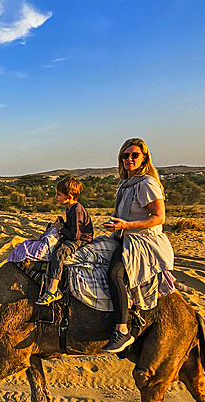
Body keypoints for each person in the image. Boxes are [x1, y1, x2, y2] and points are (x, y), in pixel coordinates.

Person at [100, 138, 175, 353]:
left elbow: (159, 217)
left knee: (115, 274)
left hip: (143, 242)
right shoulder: (126, 184)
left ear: (144, 158)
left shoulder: (147, 184)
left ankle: (122, 330)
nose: (129, 159)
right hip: (125, 235)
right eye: (125, 155)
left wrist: (127, 224)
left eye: (134, 155)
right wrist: (116, 223)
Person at [35, 176, 94, 305]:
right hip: (74, 236)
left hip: (82, 239)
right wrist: (61, 224)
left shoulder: (77, 210)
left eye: (59, 194)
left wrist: (61, 228)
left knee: (59, 252)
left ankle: (54, 288)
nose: (56, 197)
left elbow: (75, 236)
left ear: (70, 196)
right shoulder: (70, 208)